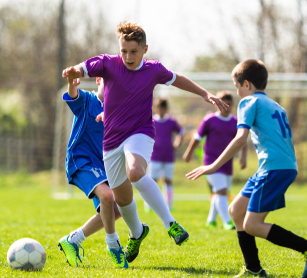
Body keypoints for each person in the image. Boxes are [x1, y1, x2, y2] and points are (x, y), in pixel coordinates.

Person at [62, 21, 229, 263]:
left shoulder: (153, 70)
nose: (128, 57)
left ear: (145, 49)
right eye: (124, 51)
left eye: (133, 51)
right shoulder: (108, 63)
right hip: (111, 143)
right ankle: (137, 233)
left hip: (140, 133)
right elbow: (82, 67)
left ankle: (170, 223)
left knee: (135, 171)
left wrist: (205, 93)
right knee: (122, 199)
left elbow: (177, 78)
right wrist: (73, 72)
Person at [187, 59, 307, 278]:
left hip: (274, 168)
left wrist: (213, 166)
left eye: (237, 86)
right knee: (235, 211)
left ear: (247, 84)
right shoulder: (275, 105)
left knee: (251, 225)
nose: (237, 92)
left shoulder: (248, 103)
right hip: (278, 166)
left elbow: (240, 138)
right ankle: (253, 267)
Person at [57, 76, 128, 269]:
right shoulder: (87, 100)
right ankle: (113, 245)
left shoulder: (118, 111)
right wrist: (72, 82)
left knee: (118, 209)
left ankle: (73, 240)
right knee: (107, 196)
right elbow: (73, 95)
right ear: (98, 80)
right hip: (80, 160)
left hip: (104, 166)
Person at [183, 91, 246, 230]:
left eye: (229, 103)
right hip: (210, 162)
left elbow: (242, 140)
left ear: (233, 105)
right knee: (222, 191)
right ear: (217, 104)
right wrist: (189, 152)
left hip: (227, 164)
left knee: (220, 192)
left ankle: (211, 220)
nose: (226, 106)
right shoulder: (209, 120)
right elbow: (197, 138)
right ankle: (227, 222)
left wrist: (243, 157)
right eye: (223, 102)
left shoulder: (236, 122)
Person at [145, 98, 185, 212]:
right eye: (159, 108)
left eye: (163, 108)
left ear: (166, 109)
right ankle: (149, 205)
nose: (161, 110)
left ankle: (169, 205)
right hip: (154, 155)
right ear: (156, 108)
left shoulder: (171, 122)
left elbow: (181, 132)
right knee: (152, 181)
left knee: (168, 180)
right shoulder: (152, 120)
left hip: (168, 156)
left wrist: (177, 142)